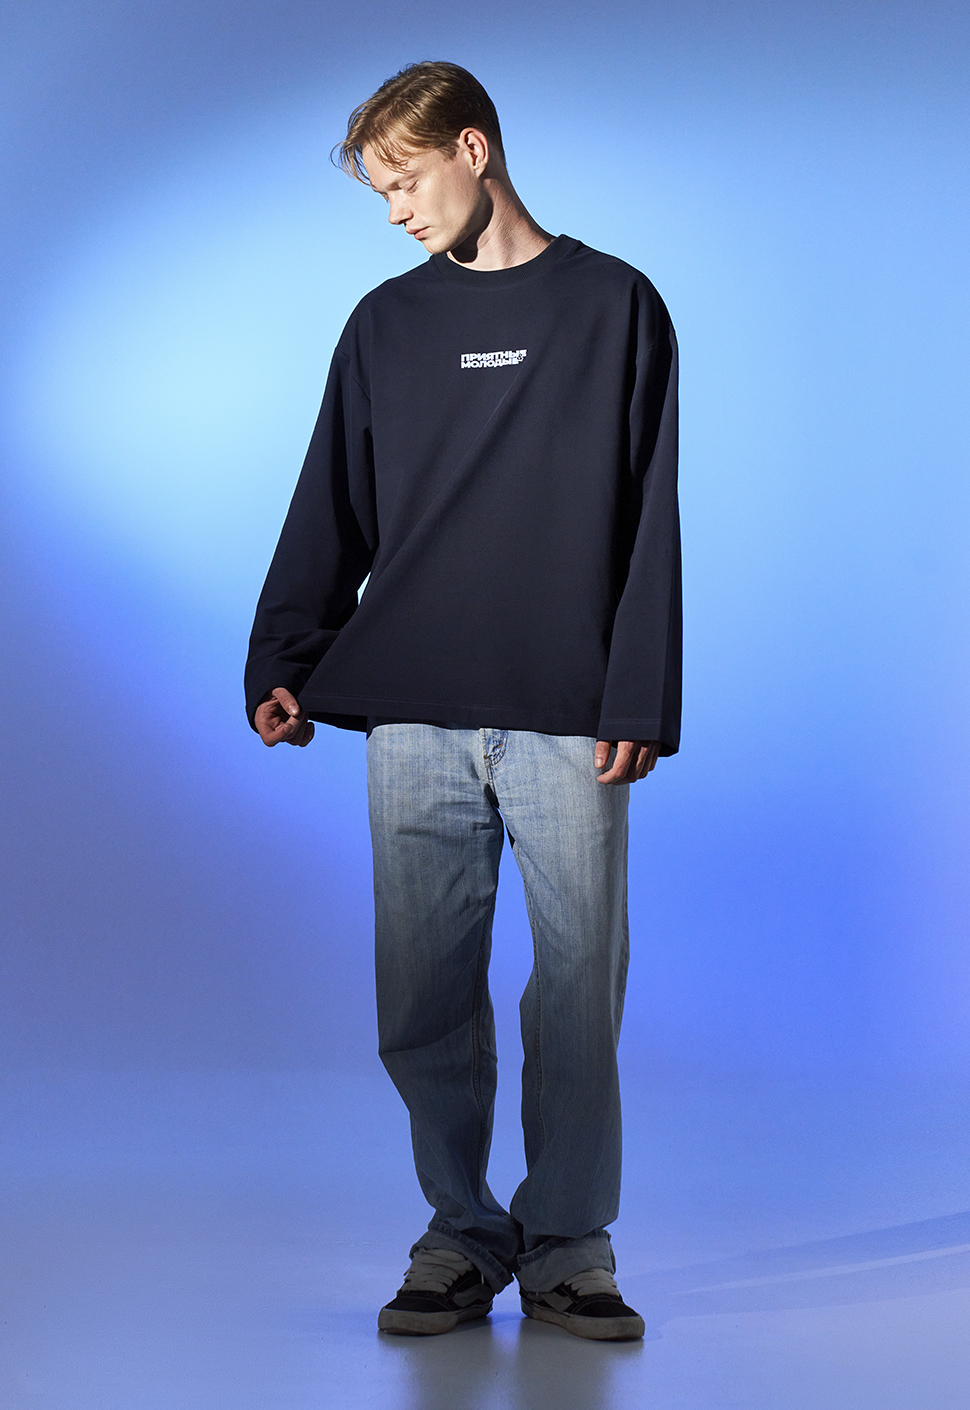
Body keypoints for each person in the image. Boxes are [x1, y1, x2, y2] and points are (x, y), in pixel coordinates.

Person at [245, 60, 680, 1341]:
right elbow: (330, 501)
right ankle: (459, 1232)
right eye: (378, 193)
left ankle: (569, 1247)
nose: (394, 212)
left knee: (574, 997)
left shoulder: (614, 305)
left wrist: (638, 694)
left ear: (473, 150)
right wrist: (283, 657)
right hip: (414, 714)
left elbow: (649, 515)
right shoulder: (384, 325)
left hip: (565, 712)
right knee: (424, 997)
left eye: (405, 180)